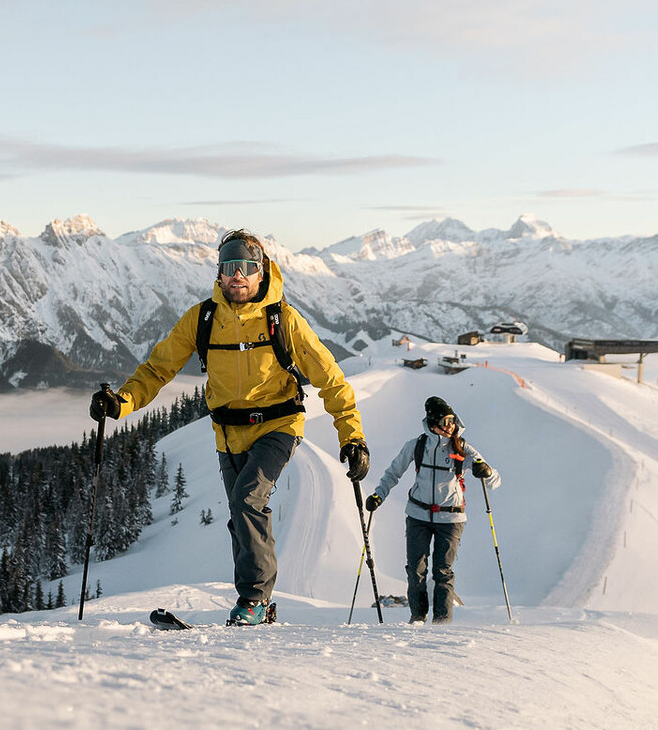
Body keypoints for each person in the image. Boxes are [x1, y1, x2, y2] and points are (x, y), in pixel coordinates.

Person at [90, 229, 368, 626]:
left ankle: (253, 600)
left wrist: (352, 437)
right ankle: (263, 603)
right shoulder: (203, 318)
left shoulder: (283, 320)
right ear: (219, 274)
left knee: (247, 501)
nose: (238, 275)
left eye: (247, 267)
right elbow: (158, 368)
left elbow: (331, 379)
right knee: (242, 516)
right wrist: (122, 403)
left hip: (279, 425)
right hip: (226, 432)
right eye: (229, 267)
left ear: (262, 272)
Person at [365, 396, 500, 624]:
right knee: (415, 570)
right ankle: (417, 617)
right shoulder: (417, 446)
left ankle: (442, 623)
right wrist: (379, 495)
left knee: (442, 571)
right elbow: (393, 472)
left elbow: (494, 480)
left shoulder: (462, 448)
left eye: (452, 421)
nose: (450, 426)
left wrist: (485, 471)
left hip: (451, 518)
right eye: (446, 421)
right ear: (433, 423)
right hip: (418, 514)